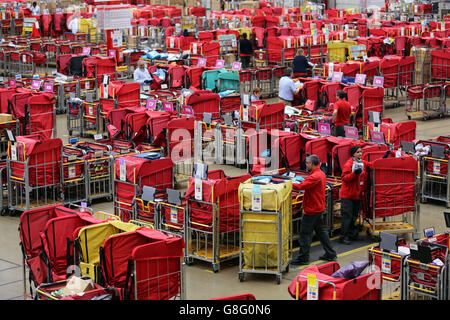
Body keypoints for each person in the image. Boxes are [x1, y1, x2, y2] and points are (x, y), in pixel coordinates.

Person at [291, 155, 337, 265]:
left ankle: (303, 257)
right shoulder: (320, 174)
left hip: (311, 210)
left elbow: (301, 186)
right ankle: (330, 253)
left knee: (305, 234)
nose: (306, 165)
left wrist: (288, 184)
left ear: (311, 164)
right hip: (318, 208)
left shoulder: (314, 176)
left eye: (307, 163)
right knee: (321, 232)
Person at [339, 146, 373, 244]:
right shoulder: (349, 164)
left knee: (354, 216)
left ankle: (352, 234)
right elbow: (344, 178)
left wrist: (383, 159)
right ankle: (343, 237)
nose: (360, 154)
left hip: (357, 195)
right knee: (347, 217)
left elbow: (371, 165)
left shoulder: (362, 163)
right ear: (353, 154)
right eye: (358, 152)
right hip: (348, 196)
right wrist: (354, 174)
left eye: (361, 152)